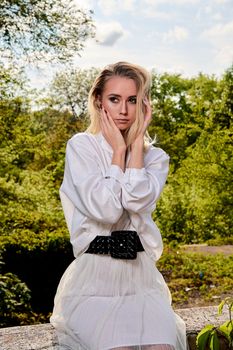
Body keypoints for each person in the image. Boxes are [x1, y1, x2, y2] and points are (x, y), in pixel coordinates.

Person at [50, 62, 187, 350]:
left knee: (162, 347)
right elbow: (107, 210)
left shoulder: (156, 158)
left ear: (143, 104)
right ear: (99, 101)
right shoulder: (81, 146)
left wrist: (135, 145)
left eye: (132, 100)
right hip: (94, 281)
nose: (124, 110)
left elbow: (136, 199)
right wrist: (119, 152)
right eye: (115, 99)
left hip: (140, 280)